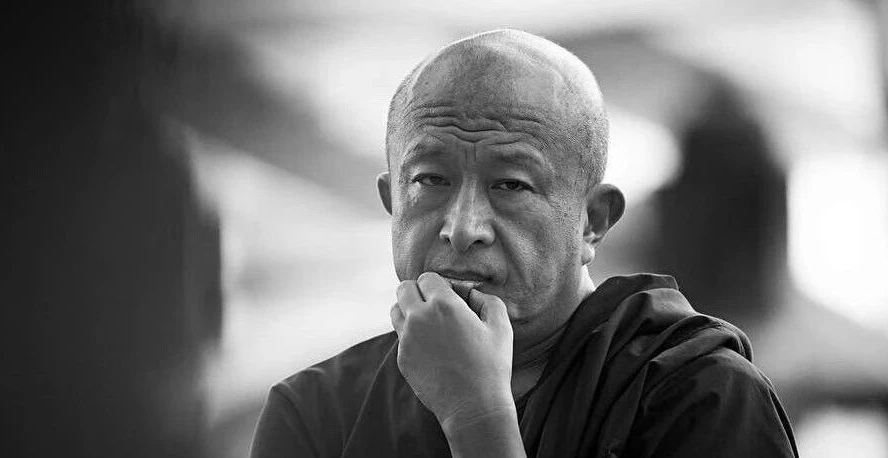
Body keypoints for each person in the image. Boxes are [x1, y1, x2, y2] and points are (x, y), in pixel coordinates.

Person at [250, 29, 797, 458]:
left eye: (510, 185)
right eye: (430, 179)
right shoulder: (318, 414)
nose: (463, 228)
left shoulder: (700, 398)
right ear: (392, 200)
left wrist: (477, 418)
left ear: (592, 221)